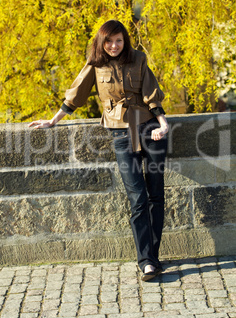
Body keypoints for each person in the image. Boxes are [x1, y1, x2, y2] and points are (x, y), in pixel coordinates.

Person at [29, 20, 169, 281]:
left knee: (156, 195)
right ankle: (147, 262)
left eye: (118, 40)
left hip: (149, 129)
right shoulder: (95, 64)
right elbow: (76, 94)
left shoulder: (138, 58)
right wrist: (52, 120)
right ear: (101, 42)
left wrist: (163, 123)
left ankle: (153, 257)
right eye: (109, 41)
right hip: (121, 132)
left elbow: (151, 93)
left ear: (125, 40)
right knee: (137, 196)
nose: (114, 45)